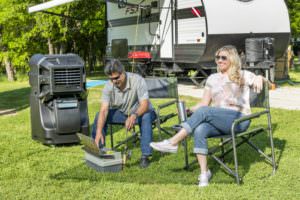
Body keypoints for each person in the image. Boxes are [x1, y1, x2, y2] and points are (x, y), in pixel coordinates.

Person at [150, 45, 265, 187]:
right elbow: (204, 103)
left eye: (224, 57)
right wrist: (190, 110)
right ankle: (204, 174)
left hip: (239, 119)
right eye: (217, 57)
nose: (220, 60)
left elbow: (268, 84)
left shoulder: (243, 74)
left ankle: (174, 142)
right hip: (219, 120)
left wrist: (260, 77)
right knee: (200, 129)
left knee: (205, 111)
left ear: (232, 59)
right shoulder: (212, 78)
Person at [92, 59, 156, 168]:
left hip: (142, 112)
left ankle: (145, 156)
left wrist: (134, 115)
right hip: (123, 113)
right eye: (111, 79)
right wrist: (99, 131)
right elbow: (104, 110)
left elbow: (145, 105)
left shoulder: (137, 80)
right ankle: (99, 150)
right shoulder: (108, 86)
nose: (114, 81)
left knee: (146, 116)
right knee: (99, 115)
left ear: (123, 72)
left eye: (116, 78)